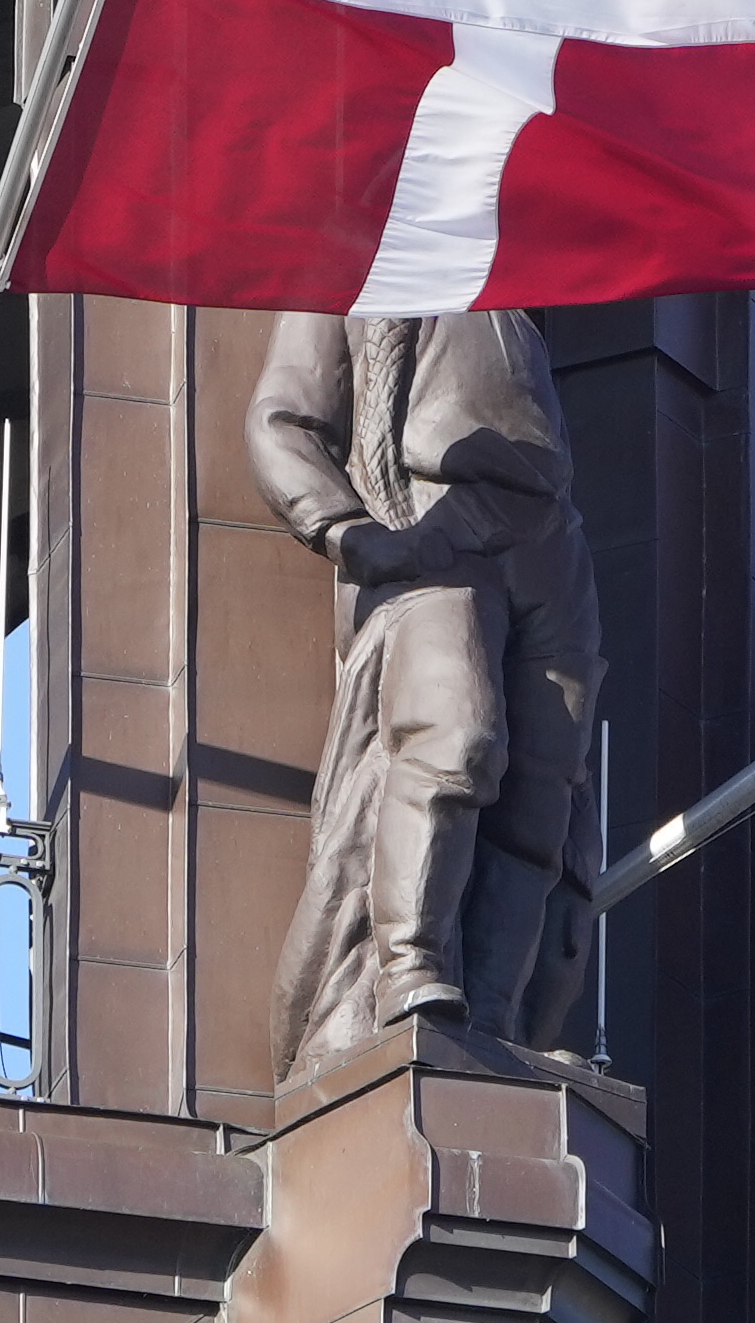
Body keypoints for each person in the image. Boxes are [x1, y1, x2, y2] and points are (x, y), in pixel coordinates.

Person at [245, 309, 605, 1078]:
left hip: (547, 538)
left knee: (544, 796)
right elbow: (282, 420)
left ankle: (497, 1021)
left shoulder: (519, 284)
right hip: (430, 519)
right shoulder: (360, 271)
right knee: (456, 740)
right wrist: (349, 529)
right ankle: (408, 970)